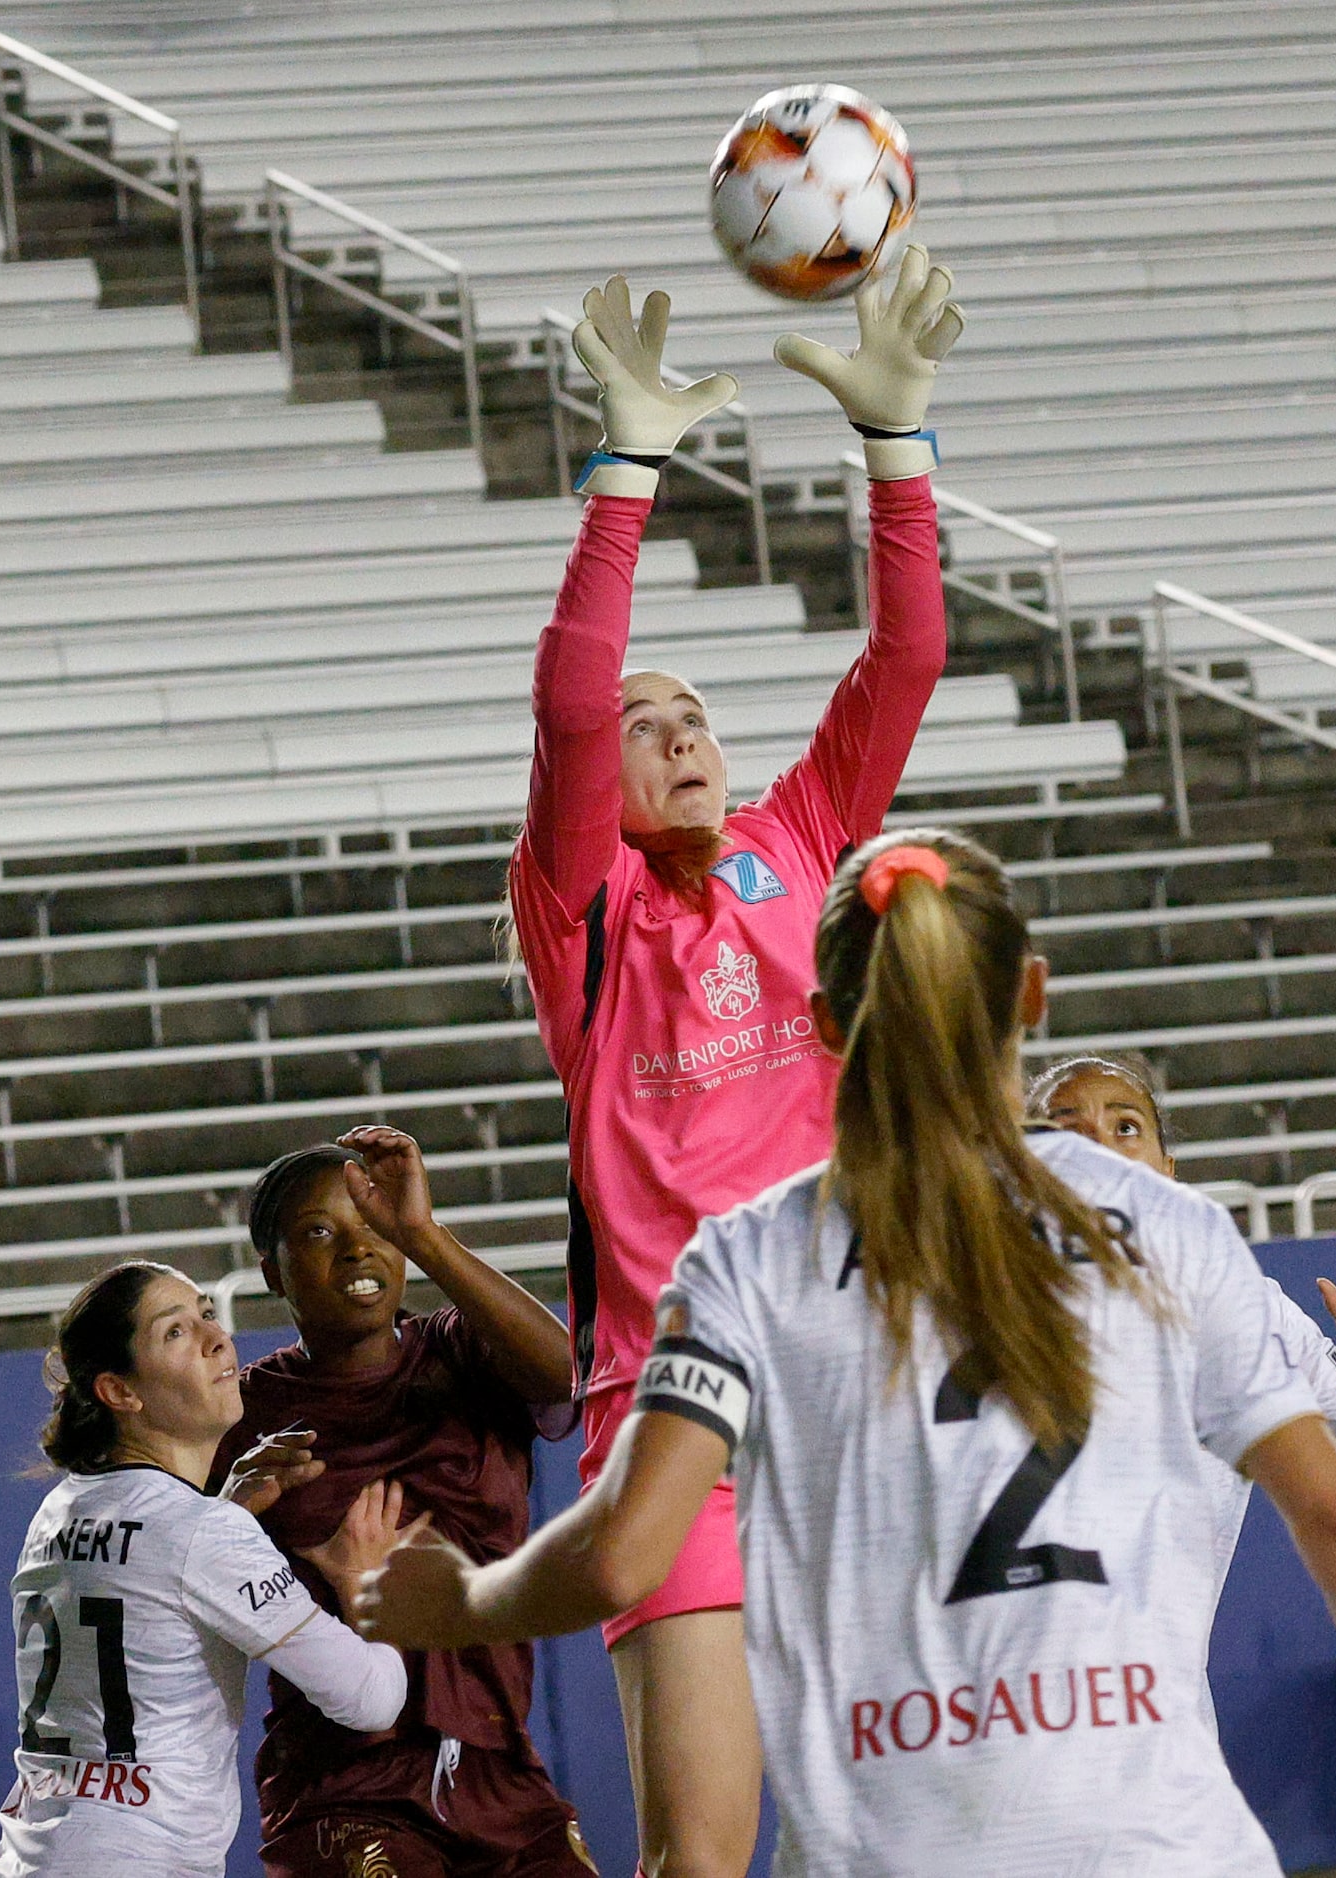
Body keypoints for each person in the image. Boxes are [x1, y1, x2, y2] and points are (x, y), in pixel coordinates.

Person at [356, 831, 1336, 1878]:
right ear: (1029, 997)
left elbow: (620, 1558)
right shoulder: (1169, 1232)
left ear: (817, 1025)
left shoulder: (743, 1264)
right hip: (1157, 1846)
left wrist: (462, 1598)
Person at [507, 246, 962, 1877]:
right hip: (671, 1413)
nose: (678, 730)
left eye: (693, 709)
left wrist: (893, 448)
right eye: (649, 722)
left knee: (924, 1829)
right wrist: (624, 475)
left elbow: (900, 660)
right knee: (704, 1854)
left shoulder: (797, 837)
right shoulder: (582, 911)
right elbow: (563, 704)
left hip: (858, 1382)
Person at [211, 1128, 593, 1878]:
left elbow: (564, 1378)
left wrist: (422, 1234)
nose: (357, 1250)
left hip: (503, 1766)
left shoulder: (464, 1350)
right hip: (346, 1783)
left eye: (374, 1228)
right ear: (272, 1273)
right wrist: (230, 1509)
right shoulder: (240, 1413)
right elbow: (177, 1576)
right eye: (318, 1233)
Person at [0, 1262, 414, 1878]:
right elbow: (371, 1699)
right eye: (174, 1333)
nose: (217, 1338)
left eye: (207, 1314)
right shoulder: (202, 1533)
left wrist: (224, 1508)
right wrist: (370, 1588)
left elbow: (149, 1577)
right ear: (120, 1392)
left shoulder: (58, 1510)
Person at [1026, 1052, 1336, 1560]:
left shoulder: (1253, 1315)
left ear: (1168, 1171)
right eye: (1068, 1129)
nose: (1100, 1147)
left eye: (1125, 1127)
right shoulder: (953, 1313)